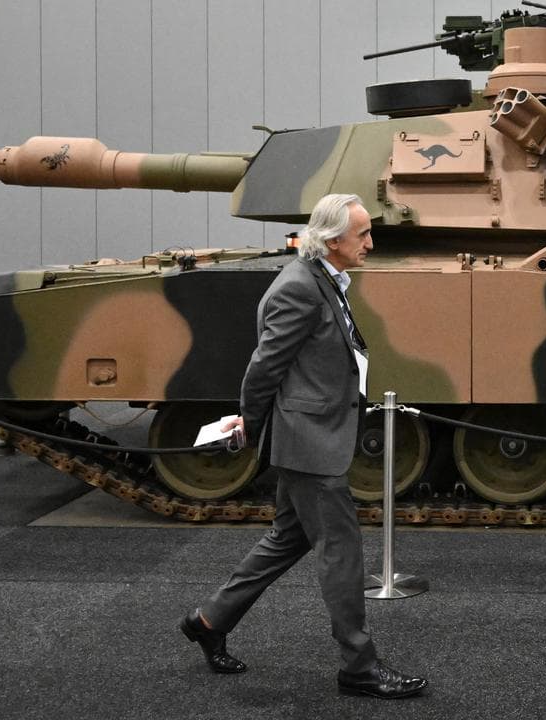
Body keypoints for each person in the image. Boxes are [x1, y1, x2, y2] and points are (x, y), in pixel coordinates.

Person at [178, 193, 427, 699]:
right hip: (311, 442)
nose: (371, 243)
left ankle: (209, 620)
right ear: (334, 240)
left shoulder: (322, 279)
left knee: (286, 540)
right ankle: (359, 665)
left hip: (313, 434)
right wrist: (247, 422)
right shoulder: (298, 288)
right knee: (342, 551)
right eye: (363, 235)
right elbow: (264, 365)